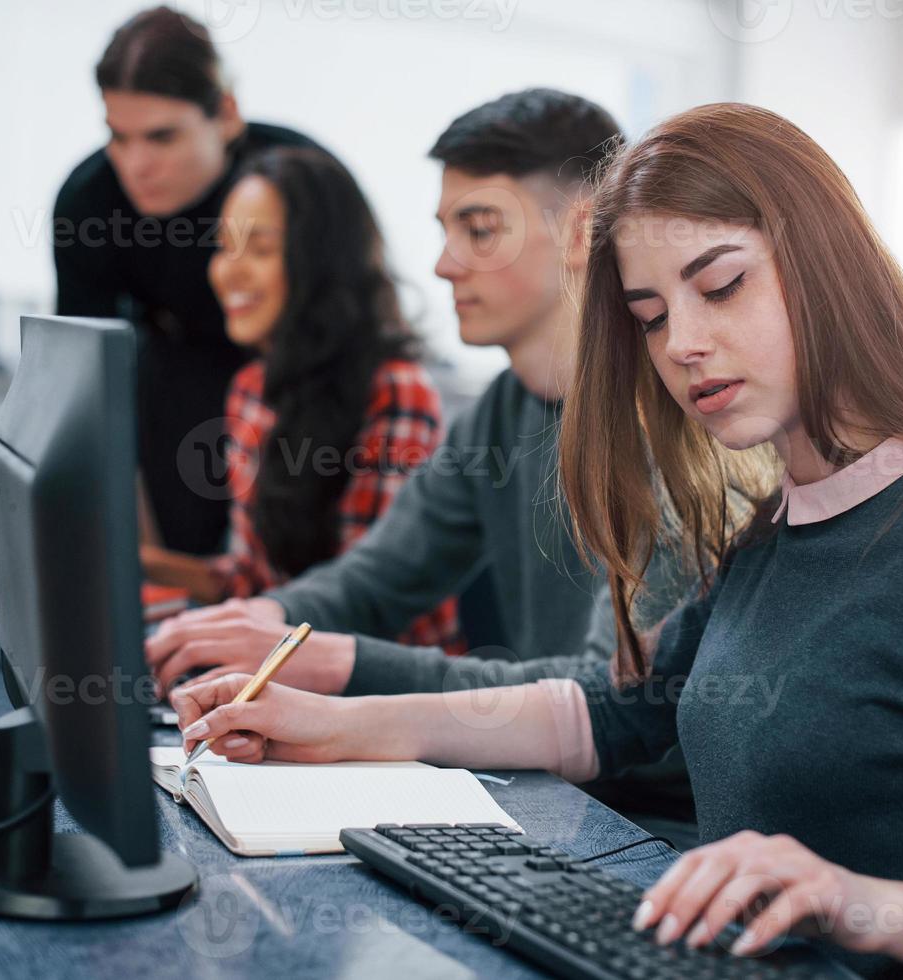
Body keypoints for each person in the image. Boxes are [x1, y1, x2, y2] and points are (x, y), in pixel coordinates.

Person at [167, 104, 903, 980]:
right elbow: (615, 711)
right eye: (653, 316)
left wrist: (849, 898)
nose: (683, 344)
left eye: (722, 284)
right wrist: (333, 724)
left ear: (828, 264)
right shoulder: (785, 520)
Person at [145, 89, 696, 833]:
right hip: (540, 790)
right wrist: (265, 622)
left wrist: (334, 665)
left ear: (582, 231)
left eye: (479, 230)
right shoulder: (505, 407)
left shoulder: (670, 418)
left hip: (644, 822)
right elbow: (380, 577)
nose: (442, 266)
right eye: (446, 231)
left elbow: (605, 699)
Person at [138, 148, 459, 650]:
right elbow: (256, 582)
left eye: (261, 250)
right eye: (224, 247)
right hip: (283, 662)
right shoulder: (251, 389)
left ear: (320, 263)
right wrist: (145, 564)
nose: (227, 272)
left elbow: (366, 607)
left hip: (387, 693)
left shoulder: (396, 390)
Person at [54, 6, 336, 555]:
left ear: (226, 115)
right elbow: (85, 387)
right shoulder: (89, 201)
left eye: (161, 137)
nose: (135, 165)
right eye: (118, 137)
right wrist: (145, 558)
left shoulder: (296, 176)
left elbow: (356, 320)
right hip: (174, 370)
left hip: (309, 374)